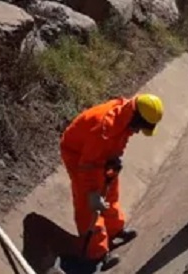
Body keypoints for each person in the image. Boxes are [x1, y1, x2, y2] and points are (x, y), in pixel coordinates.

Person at [60, 94, 164, 269]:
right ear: (136, 117)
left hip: (100, 154)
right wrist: (92, 193)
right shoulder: (104, 128)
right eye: (139, 127)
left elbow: (122, 137)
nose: (138, 131)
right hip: (78, 154)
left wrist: (115, 157)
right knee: (88, 205)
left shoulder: (126, 115)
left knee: (110, 191)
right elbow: (88, 166)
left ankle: (114, 230)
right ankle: (95, 253)